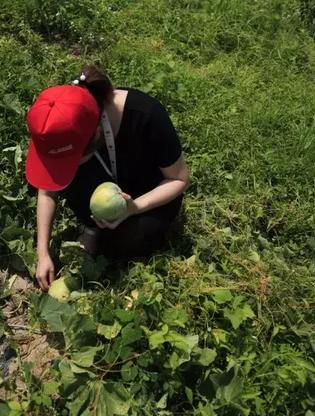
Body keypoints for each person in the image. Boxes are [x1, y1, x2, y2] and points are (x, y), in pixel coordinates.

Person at [24, 65, 190, 290]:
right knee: (68, 177)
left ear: (97, 135)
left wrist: (135, 207)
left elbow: (179, 179)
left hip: (148, 191)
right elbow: (48, 188)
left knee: (134, 238)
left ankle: (111, 234)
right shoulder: (57, 121)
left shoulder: (146, 115)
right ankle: (92, 228)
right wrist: (42, 251)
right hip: (106, 185)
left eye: (72, 159)